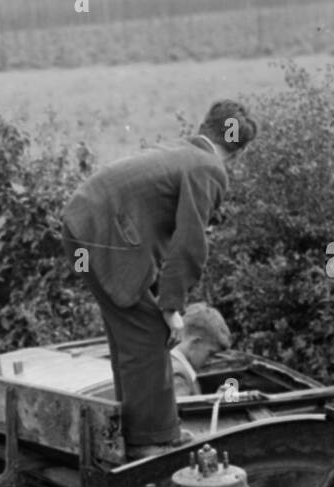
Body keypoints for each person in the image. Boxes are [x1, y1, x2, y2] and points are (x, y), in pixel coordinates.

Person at [61, 100, 257, 460]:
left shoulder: (182, 150)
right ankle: (151, 442)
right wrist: (171, 307)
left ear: (205, 126)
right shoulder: (209, 168)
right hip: (106, 236)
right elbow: (190, 243)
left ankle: (137, 430)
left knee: (129, 334)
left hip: (82, 227)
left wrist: (161, 296)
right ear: (238, 152)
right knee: (150, 330)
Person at [171, 302, 232, 399]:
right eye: (210, 353)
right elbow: (177, 413)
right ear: (195, 343)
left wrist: (215, 401)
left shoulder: (177, 368)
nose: (211, 360)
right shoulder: (179, 374)